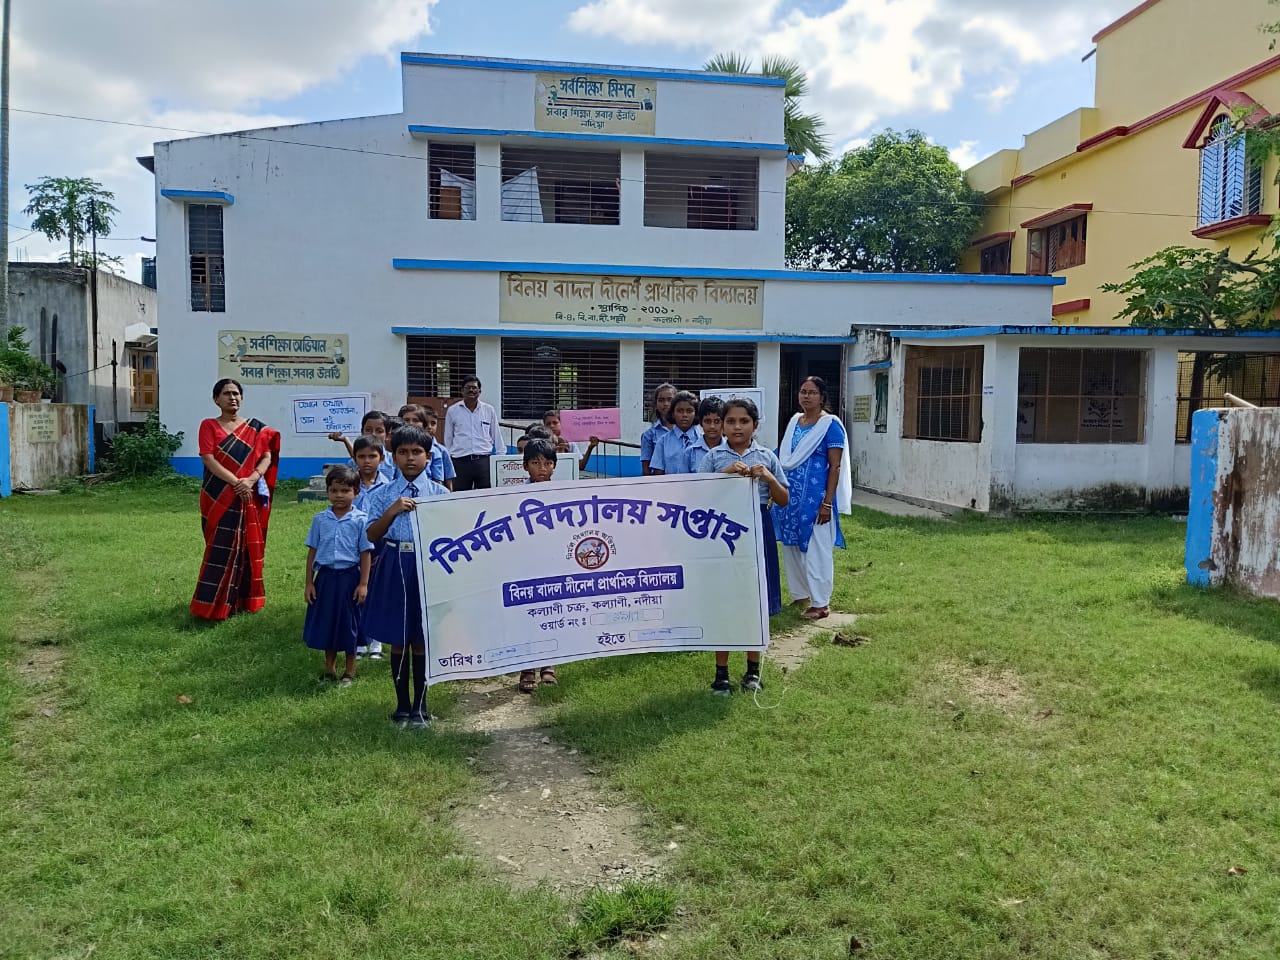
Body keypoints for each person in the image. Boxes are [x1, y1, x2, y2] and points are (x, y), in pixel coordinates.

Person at [698, 397, 790, 694]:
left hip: (758, 529)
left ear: (755, 425)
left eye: (744, 421)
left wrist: (769, 477)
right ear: (722, 426)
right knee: (724, 600)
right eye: (731, 421)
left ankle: (752, 671)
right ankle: (721, 673)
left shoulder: (766, 456)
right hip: (722, 533)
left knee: (754, 599)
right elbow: (696, 495)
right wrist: (726, 474)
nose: (737, 427)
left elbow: (783, 499)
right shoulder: (714, 457)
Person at [364, 425, 449, 728]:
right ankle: (401, 706)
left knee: (421, 636)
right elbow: (371, 534)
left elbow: (450, 536)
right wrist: (392, 511)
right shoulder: (383, 494)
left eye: (417, 452)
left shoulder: (440, 494)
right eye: (403, 452)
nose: (410, 458)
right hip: (393, 561)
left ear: (428, 457)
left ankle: (421, 708)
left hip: (427, 565)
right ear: (393, 456)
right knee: (398, 636)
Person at [191, 378, 281, 620]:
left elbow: (267, 456)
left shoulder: (256, 428)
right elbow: (208, 458)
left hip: (248, 494)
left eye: (236, 393)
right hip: (218, 495)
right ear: (216, 399)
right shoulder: (209, 425)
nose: (232, 397)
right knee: (218, 548)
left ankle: (245, 601)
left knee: (248, 547)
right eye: (226, 393)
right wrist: (236, 482)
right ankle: (211, 605)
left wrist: (251, 479)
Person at [773, 376, 853, 621]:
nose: (806, 396)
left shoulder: (830, 425)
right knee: (791, 546)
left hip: (816, 500)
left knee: (817, 550)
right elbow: (783, 456)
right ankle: (801, 595)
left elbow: (835, 466)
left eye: (812, 392)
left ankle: (821, 603)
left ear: (822, 396)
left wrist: (827, 502)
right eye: (803, 391)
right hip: (790, 498)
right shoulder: (794, 422)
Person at [303, 466, 373, 686]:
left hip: (349, 578)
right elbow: (312, 552)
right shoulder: (320, 520)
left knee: (349, 623)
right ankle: (329, 669)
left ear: (356, 493)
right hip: (325, 579)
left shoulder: (361, 520)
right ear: (327, 492)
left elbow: (365, 553)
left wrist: (363, 583)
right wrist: (309, 583)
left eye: (345, 491)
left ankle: (350, 671)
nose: (339, 495)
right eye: (334, 491)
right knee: (328, 622)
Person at [516, 438, 563, 693]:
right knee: (526, 614)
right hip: (525, 563)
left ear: (554, 465)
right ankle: (526, 668)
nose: (542, 468)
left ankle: (548, 665)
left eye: (547, 463)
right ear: (525, 466)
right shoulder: (513, 496)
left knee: (550, 613)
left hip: (552, 562)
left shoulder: (563, 494)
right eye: (535, 463)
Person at [351, 436, 388, 661]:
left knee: (377, 592)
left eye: (372, 456)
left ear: (381, 458)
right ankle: (359, 640)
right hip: (352, 547)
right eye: (361, 456)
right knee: (356, 592)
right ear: (354, 458)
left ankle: (376, 641)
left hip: (379, 545)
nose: (367, 461)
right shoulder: (349, 484)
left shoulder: (389, 486)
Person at [444, 375, 501, 491]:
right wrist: (449, 461)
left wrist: (500, 457)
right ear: (462, 391)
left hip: (484, 462)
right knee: (461, 496)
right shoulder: (452, 411)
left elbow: (496, 434)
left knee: (486, 496)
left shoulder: (489, 410)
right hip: (460, 462)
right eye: (468, 387)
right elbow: (448, 438)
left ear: (479, 391)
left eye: (474, 388)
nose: (471, 390)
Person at [330, 411, 396, 483]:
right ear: (362, 432)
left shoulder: (394, 461)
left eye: (379, 431)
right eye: (368, 430)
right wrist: (346, 440)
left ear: (387, 435)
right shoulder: (352, 463)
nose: (373, 434)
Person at [400, 403, 455, 490]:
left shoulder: (436, 451)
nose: (410, 424)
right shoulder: (394, 448)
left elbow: (440, 480)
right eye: (406, 420)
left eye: (415, 420)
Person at [649, 390, 701, 475]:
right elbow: (658, 473)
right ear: (673, 413)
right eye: (680, 411)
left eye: (689, 411)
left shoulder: (702, 439)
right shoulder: (663, 442)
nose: (684, 415)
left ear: (695, 414)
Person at [640, 382, 676, 476]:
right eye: (661, 400)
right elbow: (646, 469)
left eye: (670, 400)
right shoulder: (649, 435)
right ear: (655, 404)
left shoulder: (685, 430)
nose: (666, 404)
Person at [685, 396, 727, 474]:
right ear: (701, 422)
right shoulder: (690, 452)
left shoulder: (731, 451)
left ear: (724, 423)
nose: (712, 426)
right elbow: (683, 480)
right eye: (707, 421)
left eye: (717, 421)